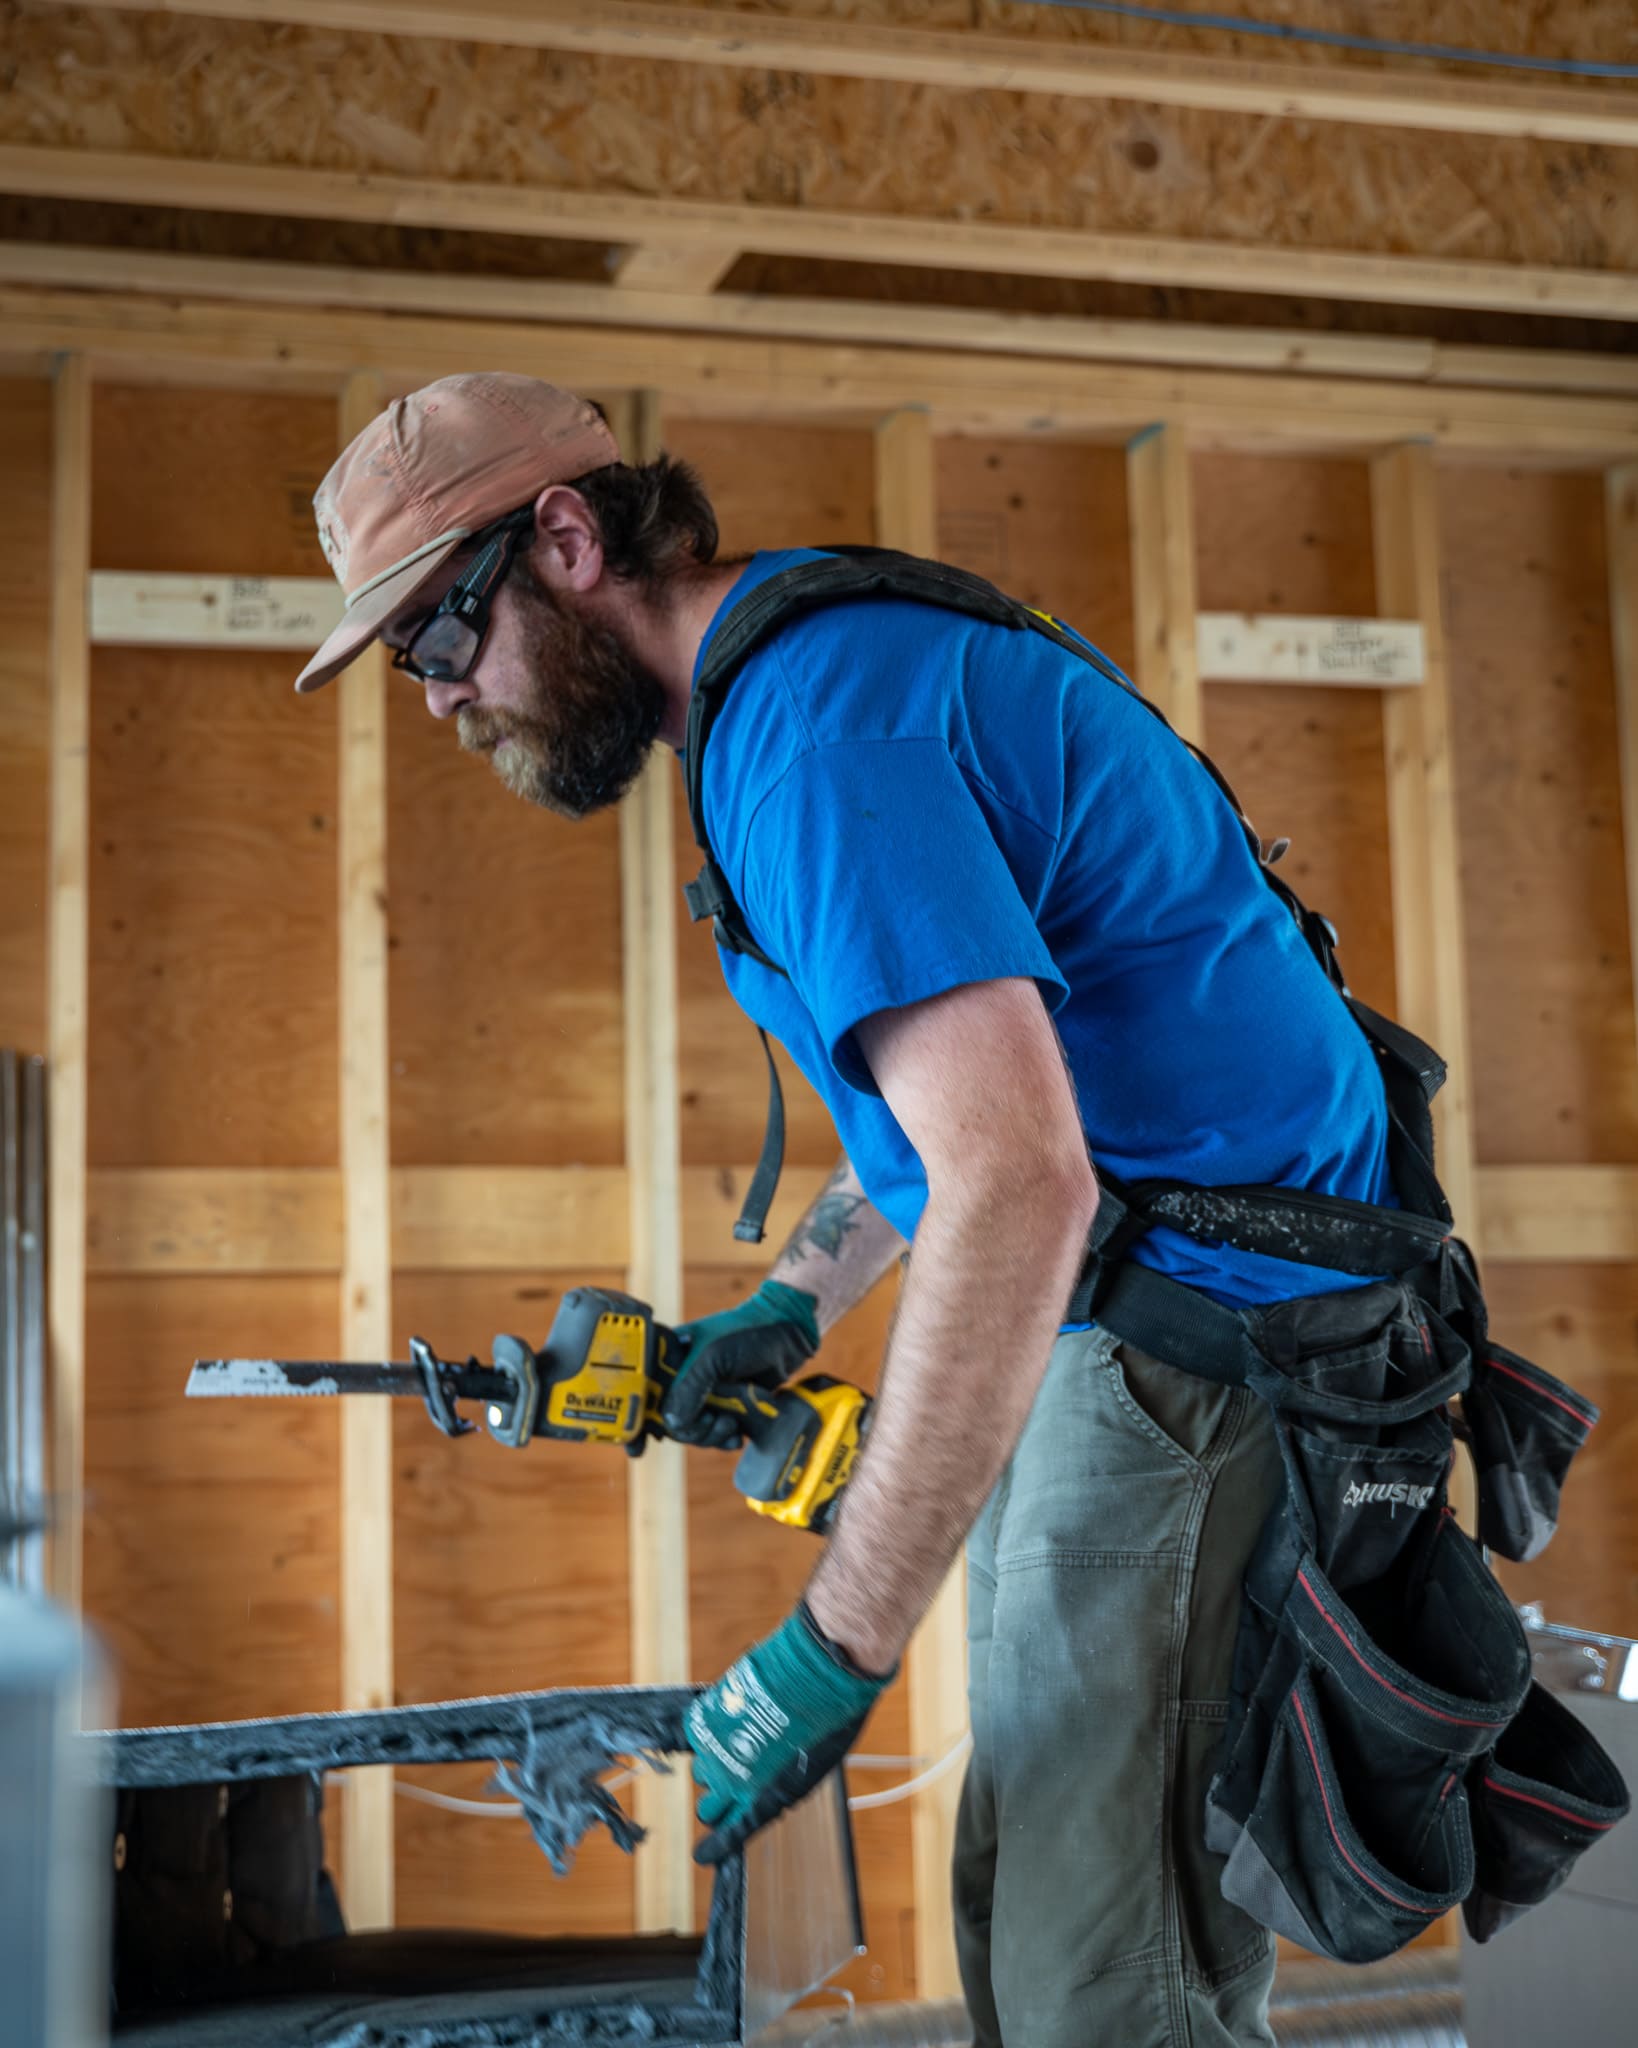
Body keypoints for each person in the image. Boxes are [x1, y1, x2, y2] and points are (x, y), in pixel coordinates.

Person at [295, 371, 1400, 2048]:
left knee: (1098, 1985)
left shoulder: (813, 735)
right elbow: (967, 1102)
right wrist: (794, 1307)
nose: (438, 704)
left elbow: (1020, 1181)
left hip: (1197, 1340)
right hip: (1164, 1322)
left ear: (568, 541)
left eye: (435, 646)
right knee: (1033, 1906)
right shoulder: (801, 672)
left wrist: (831, 1648)